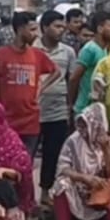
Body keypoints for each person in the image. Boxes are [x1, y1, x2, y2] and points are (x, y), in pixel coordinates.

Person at [0, 11, 56, 152]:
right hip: (6, 120)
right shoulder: (0, 55)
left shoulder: (37, 55)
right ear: (19, 29)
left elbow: (55, 72)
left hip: (30, 121)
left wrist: (40, 89)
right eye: (32, 29)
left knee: (26, 165)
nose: (36, 34)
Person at [35, 11, 78, 201]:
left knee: (53, 154)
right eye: (57, 26)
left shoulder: (68, 52)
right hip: (33, 111)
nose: (61, 30)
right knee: (25, 154)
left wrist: (70, 106)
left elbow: (72, 79)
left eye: (62, 26)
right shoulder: (32, 49)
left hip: (58, 110)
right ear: (45, 27)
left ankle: (46, 193)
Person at [68, 11, 110, 116]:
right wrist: (70, 104)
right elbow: (74, 78)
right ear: (100, 28)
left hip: (98, 108)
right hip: (86, 108)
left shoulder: (106, 49)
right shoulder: (90, 49)